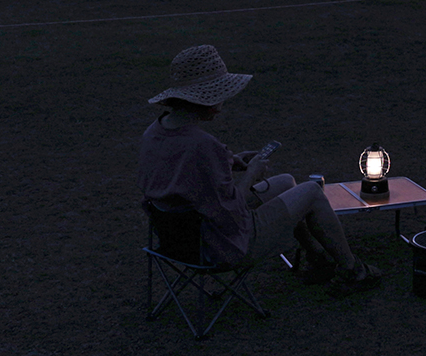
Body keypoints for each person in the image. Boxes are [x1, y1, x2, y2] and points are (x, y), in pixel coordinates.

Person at [137, 44, 380, 295]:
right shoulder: (202, 145)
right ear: (207, 99)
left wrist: (228, 161)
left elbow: (182, 175)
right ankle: (354, 271)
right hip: (221, 246)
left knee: (286, 182)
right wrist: (252, 173)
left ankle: (318, 258)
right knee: (312, 192)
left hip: (177, 241)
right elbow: (232, 208)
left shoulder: (155, 133)